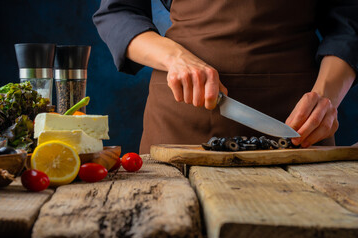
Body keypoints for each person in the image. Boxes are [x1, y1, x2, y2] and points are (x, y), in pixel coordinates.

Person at [93, 0, 358, 154]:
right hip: (182, 117)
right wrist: (175, 58)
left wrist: (326, 97)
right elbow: (118, 12)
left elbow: (350, 24)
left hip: (300, 121)